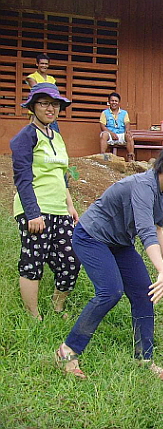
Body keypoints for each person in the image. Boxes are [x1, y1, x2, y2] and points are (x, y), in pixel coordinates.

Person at [55, 136, 163, 380]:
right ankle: (67, 350)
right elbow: (144, 231)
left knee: (144, 294)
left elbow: (156, 227)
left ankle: (144, 359)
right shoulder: (144, 185)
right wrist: (161, 271)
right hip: (91, 237)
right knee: (110, 291)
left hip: (119, 242)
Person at [10, 83, 80, 320]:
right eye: (44, 103)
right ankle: (34, 316)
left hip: (59, 209)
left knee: (71, 259)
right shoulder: (25, 137)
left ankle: (57, 306)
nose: (51, 108)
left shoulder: (57, 136)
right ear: (33, 107)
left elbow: (61, 174)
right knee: (33, 260)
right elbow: (22, 178)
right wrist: (32, 213)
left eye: (55, 104)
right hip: (35, 209)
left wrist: (70, 205)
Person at [99, 92, 135, 162]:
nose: (114, 102)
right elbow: (102, 126)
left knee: (129, 136)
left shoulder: (124, 113)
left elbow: (127, 123)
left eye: (116, 101)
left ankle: (131, 159)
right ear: (109, 102)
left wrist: (127, 131)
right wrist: (111, 133)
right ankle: (103, 157)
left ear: (119, 102)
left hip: (121, 134)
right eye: (112, 101)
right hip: (109, 134)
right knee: (104, 135)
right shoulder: (104, 113)